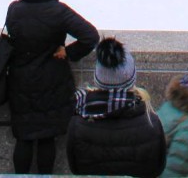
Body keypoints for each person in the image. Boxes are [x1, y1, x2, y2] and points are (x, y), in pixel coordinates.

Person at [6, 0, 100, 175]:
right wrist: (68, 52)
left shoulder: (14, 9)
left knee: (24, 138)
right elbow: (90, 36)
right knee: (46, 139)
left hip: (20, 83)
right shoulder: (58, 11)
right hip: (51, 83)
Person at [66, 37, 166, 177]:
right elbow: (157, 168)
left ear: (97, 79)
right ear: (132, 80)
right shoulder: (152, 124)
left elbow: (75, 168)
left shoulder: (77, 124)